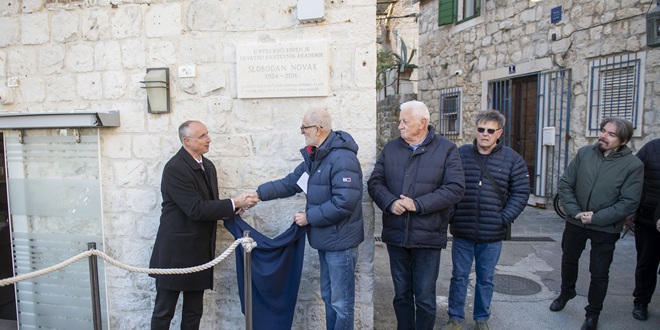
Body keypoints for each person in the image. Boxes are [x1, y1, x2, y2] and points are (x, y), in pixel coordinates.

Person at [255, 107, 364, 330]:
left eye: (304, 127)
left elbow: (345, 202)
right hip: (327, 240)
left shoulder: (343, 158)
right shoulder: (316, 156)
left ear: (319, 128)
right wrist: (256, 195)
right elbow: (290, 183)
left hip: (341, 243)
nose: (302, 131)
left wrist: (309, 217)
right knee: (329, 297)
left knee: (341, 303)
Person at [149, 120, 259, 330]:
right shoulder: (175, 168)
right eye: (202, 136)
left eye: (207, 134)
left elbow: (208, 204)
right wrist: (234, 202)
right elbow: (196, 209)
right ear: (186, 141)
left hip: (199, 251)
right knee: (164, 310)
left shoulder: (208, 166)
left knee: (193, 312)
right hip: (175, 253)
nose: (209, 139)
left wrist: (235, 209)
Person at [368, 100, 465, 330]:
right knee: (401, 295)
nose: (399, 126)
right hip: (396, 234)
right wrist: (390, 203)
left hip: (428, 237)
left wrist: (418, 204)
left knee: (424, 298)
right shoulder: (391, 149)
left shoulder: (447, 149)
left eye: (405, 121)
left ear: (422, 123)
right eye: (400, 121)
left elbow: (455, 188)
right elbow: (375, 182)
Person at [550, 117, 644, 330]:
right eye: (603, 130)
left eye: (611, 134)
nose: (603, 135)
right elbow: (566, 184)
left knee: (599, 272)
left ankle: (593, 313)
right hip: (575, 223)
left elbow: (628, 203)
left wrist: (595, 217)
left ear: (623, 140)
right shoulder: (585, 153)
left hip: (605, 228)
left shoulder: (633, 165)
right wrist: (575, 212)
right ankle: (566, 292)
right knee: (568, 260)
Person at [442, 111, 530, 330]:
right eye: (481, 129)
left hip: (492, 233)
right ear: (476, 130)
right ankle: (455, 318)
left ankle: (481, 318)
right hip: (463, 230)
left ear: (499, 132)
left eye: (490, 130)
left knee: (486, 279)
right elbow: (448, 186)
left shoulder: (512, 159)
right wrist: (452, 215)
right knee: (459, 277)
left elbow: (520, 193)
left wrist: (504, 218)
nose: (485, 134)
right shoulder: (460, 154)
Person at [630, 138, 660, 321]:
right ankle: (641, 302)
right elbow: (634, 179)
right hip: (647, 220)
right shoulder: (651, 148)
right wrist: (631, 210)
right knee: (646, 264)